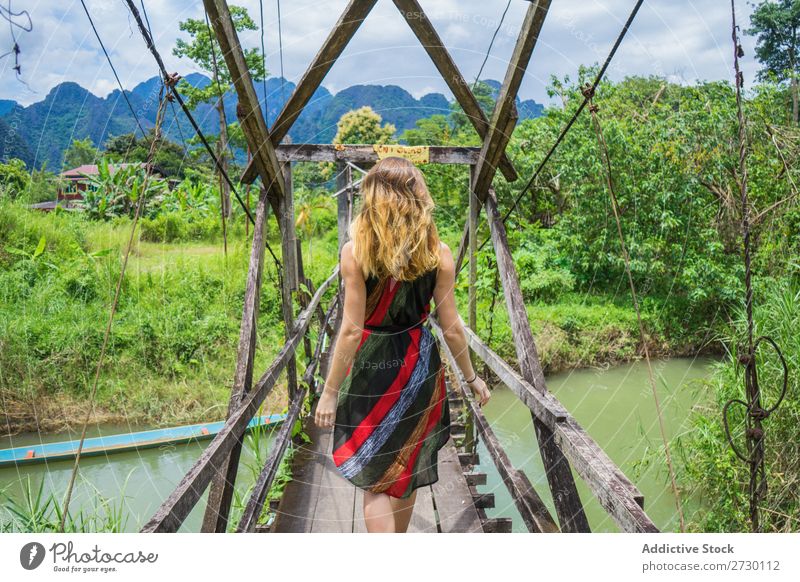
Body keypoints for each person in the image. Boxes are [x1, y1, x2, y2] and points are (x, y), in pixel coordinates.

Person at [314, 156, 490, 533]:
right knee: (405, 465)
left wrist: (329, 393)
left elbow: (349, 330)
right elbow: (452, 327)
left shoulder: (355, 253)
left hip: (371, 369)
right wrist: (472, 378)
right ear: (417, 198)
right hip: (418, 367)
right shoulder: (438, 253)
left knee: (375, 474)